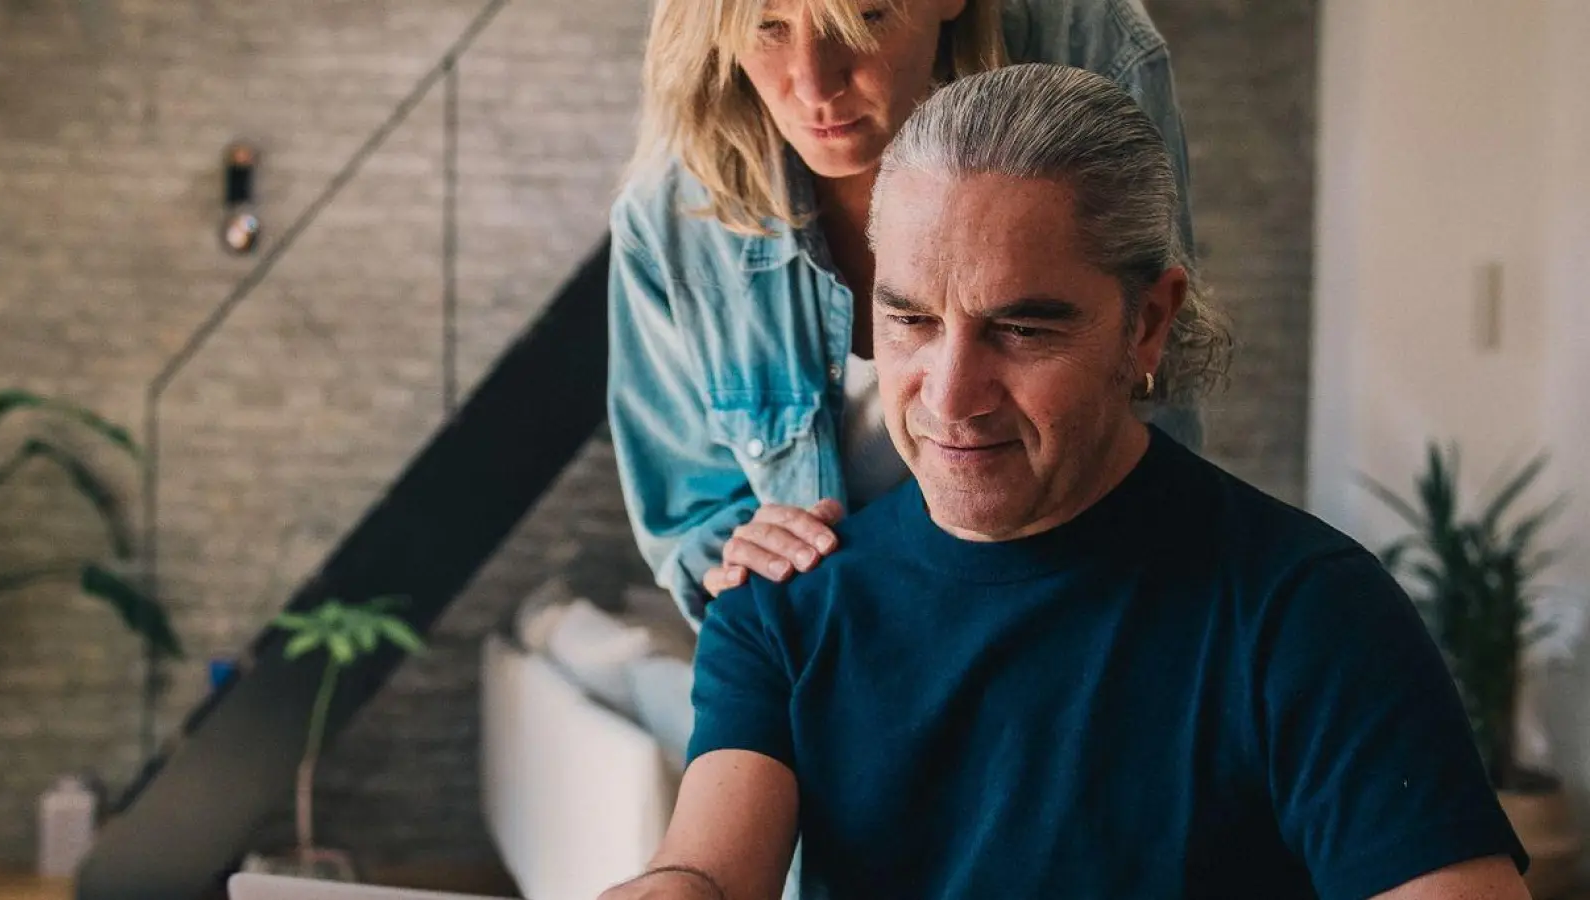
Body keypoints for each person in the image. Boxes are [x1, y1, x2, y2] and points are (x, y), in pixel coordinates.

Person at [600, 64, 1531, 899]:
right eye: (911, 321)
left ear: (1148, 325)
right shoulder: (784, 606)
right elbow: (713, 868)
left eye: (1023, 329)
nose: (950, 398)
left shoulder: (1306, 613)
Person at [607, 0, 1204, 627]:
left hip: (1073, 617)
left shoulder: (1092, 46)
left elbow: (1153, 406)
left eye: (866, 18)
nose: (817, 85)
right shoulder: (669, 220)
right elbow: (691, 520)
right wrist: (738, 558)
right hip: (842, 650)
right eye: (768, 26)